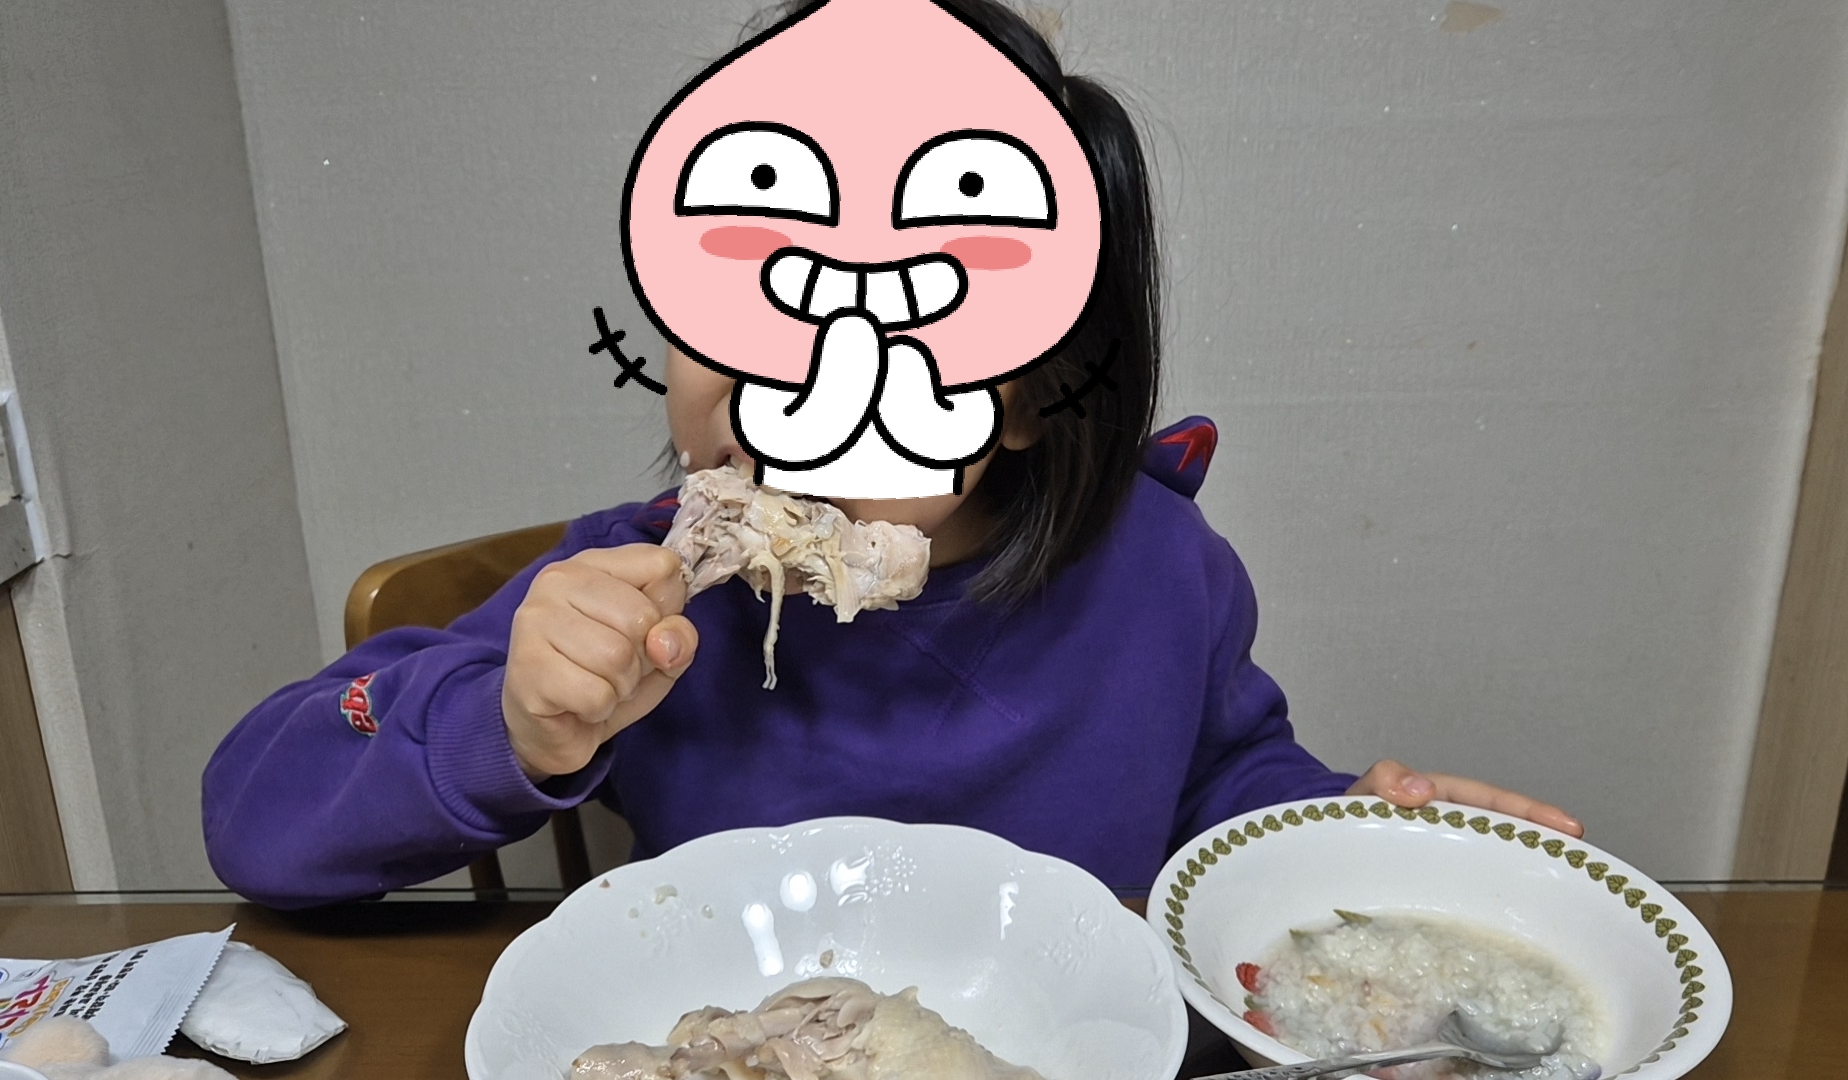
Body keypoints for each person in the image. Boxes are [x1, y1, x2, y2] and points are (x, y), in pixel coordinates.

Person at [202, 0, 1579, 910]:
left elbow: (1221, 781)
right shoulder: (635, 589)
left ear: (1035, 396)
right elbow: (260, 812)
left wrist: (1339, 832)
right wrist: (507, 722)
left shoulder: (1161, 570)